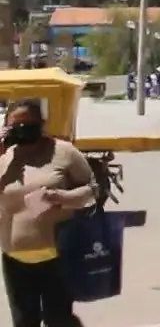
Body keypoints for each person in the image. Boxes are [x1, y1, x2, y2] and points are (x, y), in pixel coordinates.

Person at [0, 98, 97, 327]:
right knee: (24, 322)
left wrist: (62, 198)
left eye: (28, 124)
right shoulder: (5, 157)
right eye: (17, 126)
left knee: (58, 320)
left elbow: (92, 188)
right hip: (15, 259)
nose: (23, 130)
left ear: (41, 123)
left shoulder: (64, 152)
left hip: (58, 256)